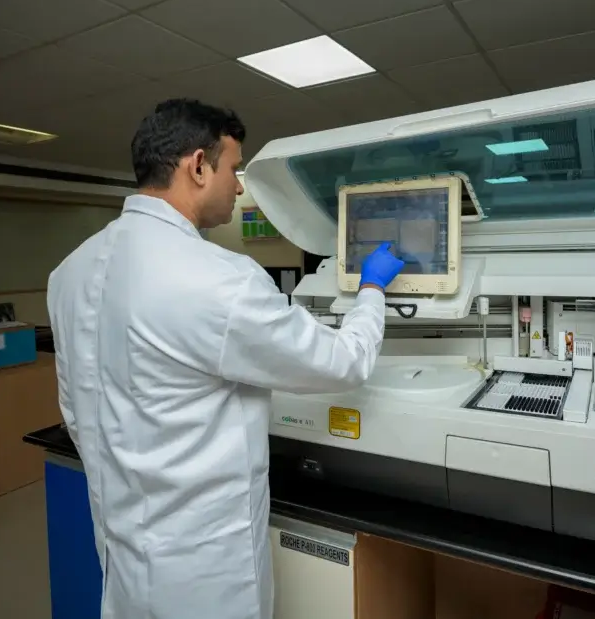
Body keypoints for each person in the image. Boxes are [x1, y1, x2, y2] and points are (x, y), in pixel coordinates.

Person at [47, 98, 404, 619]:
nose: (239, 187)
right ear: (197, 166)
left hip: (123, 556)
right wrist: (372, 289)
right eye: (234, 169)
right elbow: (342, 362)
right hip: (207, 573)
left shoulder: (69, 273)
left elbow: (79, 413)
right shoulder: (220, 279)